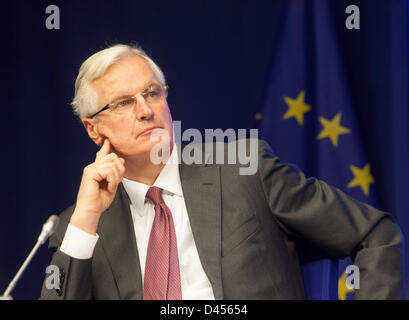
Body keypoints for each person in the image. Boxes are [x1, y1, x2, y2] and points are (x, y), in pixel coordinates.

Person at [40, 44, 403, 300]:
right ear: (93, 128)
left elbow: (375, 235)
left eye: (152, 93)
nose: (145, 110)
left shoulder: (243, 170)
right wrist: (86, 219)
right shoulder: (82, 225)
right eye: (123, 102)